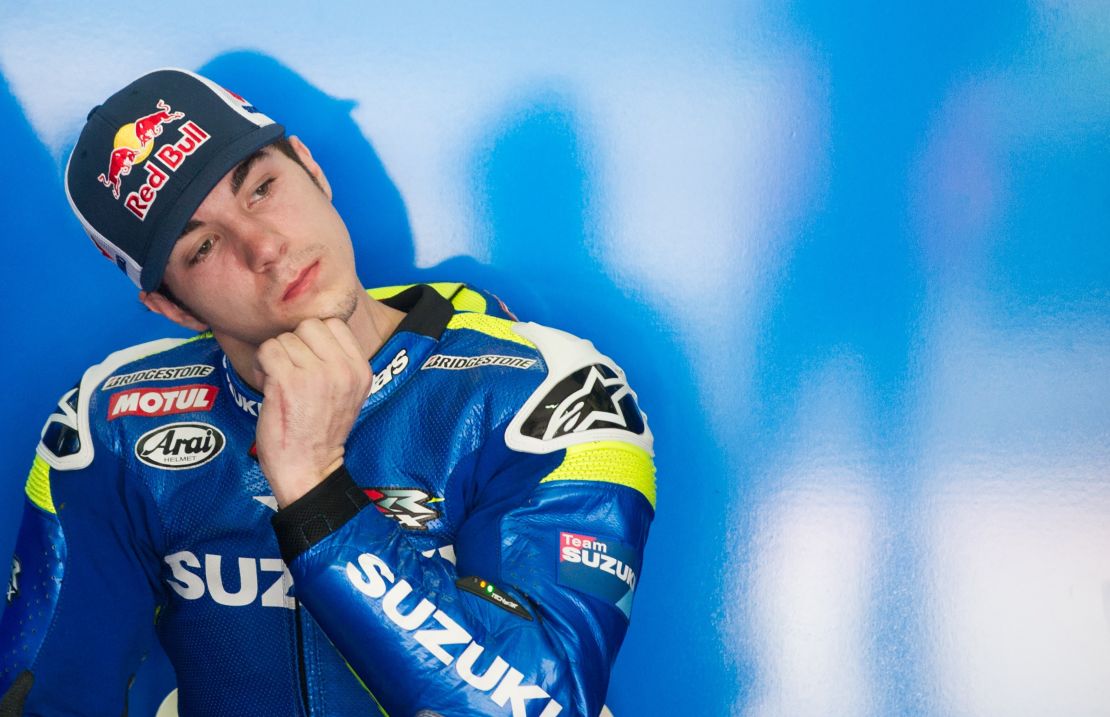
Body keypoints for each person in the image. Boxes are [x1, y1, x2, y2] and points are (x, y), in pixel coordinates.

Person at [0, 68, 655, 717]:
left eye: (260, 187)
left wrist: (316, 490)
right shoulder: (109, 425)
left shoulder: (547, 392)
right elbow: (44, 696)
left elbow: (541, 702)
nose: (266, 247)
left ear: (311, 169)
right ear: (172, 307)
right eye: (203, 247)